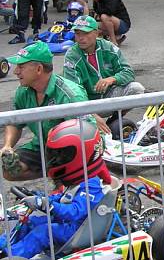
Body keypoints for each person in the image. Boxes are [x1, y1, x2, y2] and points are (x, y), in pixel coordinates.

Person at [0, 119, 112, 258]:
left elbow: (75, 212)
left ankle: (10, 254)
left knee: (43, 232)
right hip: (66, 223)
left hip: (79, 229)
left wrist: (48, 205)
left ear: (82, 154)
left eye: (61, 155)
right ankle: (2, 246)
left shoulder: (92, 184)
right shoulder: (78, 179)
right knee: (29, 222)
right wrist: (39, 197)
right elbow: (63, 198)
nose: (55, 159)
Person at [1, 41, 89, 181]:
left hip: (70, 151)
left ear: (39, 69)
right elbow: (14, 121)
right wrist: (7, 146)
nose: (16, 71)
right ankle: (54, 173)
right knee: (10, 170)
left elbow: (87, 135)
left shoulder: (70, 95)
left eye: (21, 67)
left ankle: (64, 176)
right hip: (42, 147)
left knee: (68, 184)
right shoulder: (23, 91)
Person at [63, 16, 145, 133]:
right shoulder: (72, 55)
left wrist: (112, 79)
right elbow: (73, 91)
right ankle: (90, 125)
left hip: (108, 97)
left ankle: (115, 119)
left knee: (136, 88)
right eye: (77, 33)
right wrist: (91, 115)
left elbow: (128, 72)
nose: (81, 38)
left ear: (96, 33)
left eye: (85, 33)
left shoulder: (108, 47)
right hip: (85, 103)